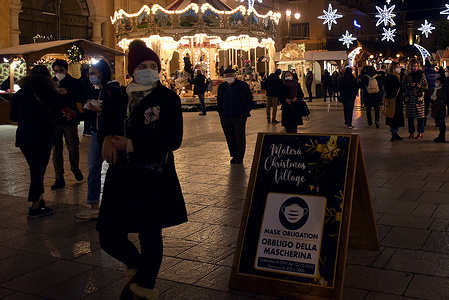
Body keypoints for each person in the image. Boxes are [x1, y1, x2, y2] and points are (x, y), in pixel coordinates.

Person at [97, 39, 187, 299]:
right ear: (132, 70)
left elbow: (173, 140)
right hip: (120, 177)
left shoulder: (167, 98)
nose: (150, 70)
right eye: (143, 66)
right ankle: (138, 268)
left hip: (152, 176)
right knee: (108, 235)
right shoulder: (119, 97)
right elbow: (107, 124)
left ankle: (144, 287)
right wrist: (106, 139)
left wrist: (131, 144)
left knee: (150, 234)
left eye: (153, 65)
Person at [9, 65, 61, 219]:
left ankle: (40, 199)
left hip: (25, 137)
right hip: (43, 137)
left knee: (35, 168)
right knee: (38, 171)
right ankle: (35, 207)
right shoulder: (52, 94)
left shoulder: (20, 93)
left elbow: (13, 117)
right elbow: (57, 117)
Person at [75, 60, 120, 220]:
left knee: (117, 170)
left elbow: (116, 112)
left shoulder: (113, 90)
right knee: (93, 169)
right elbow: (88, 114)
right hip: (95, 134)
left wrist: (100, 110)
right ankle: (93, 204)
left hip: (112, 135)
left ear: (102, 73)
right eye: (90, 74)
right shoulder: (94, 92)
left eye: (93, 73)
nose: (90, 77)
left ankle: (118, 204)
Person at [51, 59, 85, 190]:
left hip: (69, 120)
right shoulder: (51, 83)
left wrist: (67, 93)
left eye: (61, 71)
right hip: (55, 120)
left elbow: (81, 97)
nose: (58, 73)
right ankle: (59, 177)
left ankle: (74, 167)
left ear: (66, 70)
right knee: (56, 149)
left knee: (73, 146)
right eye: (56, 71)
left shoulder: (75, 83)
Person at [217, 66, 253, 164]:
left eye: (231, 75)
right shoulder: (222, 87)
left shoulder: (242, 85)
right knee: (229, 136)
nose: (229, 77)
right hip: (225, 115)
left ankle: (240, 156)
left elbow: (249, 98)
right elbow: (219, 100)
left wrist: (246, 111)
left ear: (234, 76)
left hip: (239, 115)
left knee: (239, 136)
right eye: (227, 75)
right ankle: (234, 154)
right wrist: (220, 111)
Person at [403, 58, 428, 139]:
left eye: (417, 66)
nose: (415, 68)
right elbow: (403, 85)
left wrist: (420, 87)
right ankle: (411, 132)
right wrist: (409, 85)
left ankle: (420, 132)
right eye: (414, 66)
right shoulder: (407, 75)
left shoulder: (421, 74)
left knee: (420, 117)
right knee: (410, 117)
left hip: (419, 98)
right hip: (410, 99)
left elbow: (426, 86)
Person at [384, 62, 405, 141]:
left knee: (394, 117)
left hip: (394, 99)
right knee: (393, 117)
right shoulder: (392, 77)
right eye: (397, 67)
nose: (398, 68)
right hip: (394, 99)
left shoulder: (396, 76)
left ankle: (395, 133)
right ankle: (394, 133)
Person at [431, 77, 448, 143]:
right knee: (440, 123)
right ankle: (441, 136)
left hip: (440, 109)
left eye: (438, 82)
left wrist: (437, 104)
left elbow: (442, 101)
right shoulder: (436, 89)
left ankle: (442, 136)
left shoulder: (443, 91)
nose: (436, 83)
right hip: (437, 109)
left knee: (441, 123)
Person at [423, 60, 439, 126]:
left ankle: (424, 122)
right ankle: (437, 122)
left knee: (425, 107)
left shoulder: (424, 73)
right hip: (434, 91)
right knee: (435, 107)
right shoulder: (436, 72)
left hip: (427, 91)